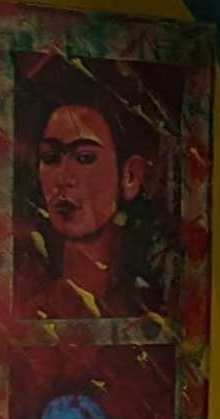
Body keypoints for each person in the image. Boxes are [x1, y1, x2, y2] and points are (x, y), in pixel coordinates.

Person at [23, 56, 166, 317]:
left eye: (85, 158)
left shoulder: (148, 304)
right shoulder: (31, 306)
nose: (63, 178)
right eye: (50, 157)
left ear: (130, 176)